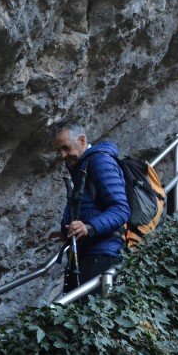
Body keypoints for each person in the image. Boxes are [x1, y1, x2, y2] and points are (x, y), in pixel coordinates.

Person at [53, 121, 130, 291]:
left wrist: (89, 227)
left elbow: (121, 209)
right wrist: (68, 231)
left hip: (101, 257)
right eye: (58, 150)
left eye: (65, 148)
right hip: (86, 256)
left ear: (81, 141)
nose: (62, 155)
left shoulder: (100, 162)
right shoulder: (82, 166)